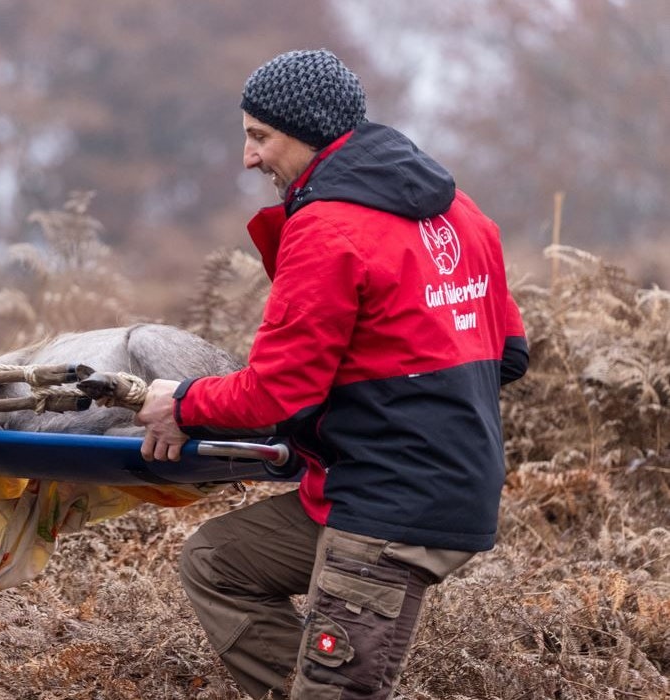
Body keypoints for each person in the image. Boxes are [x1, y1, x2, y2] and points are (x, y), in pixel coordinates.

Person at [136, 49, 529, 699]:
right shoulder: (461, 212)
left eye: (259, 137)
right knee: (215, 562)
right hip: (409, 485)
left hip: (389, 505)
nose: (248, 158)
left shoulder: (327, 229)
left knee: (335, 691)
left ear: (310, 130)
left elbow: (274, 389)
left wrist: (181, 402)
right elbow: (509, 353)